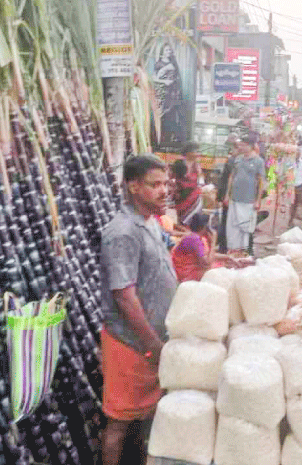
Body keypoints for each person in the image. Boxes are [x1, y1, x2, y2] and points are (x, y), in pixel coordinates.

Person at [99, 154, 178, 465]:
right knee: (118, 423)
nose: (163, 190)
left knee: (145, 418)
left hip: (152, 340)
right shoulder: (122, 232)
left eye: (165, 183)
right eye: (154, 184)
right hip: (130, 343)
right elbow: (124, 296)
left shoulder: (150, 222)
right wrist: (153, 346)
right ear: (132, 186)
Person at [224, 134, 265, 254]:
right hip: (235, 198)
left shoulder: (258, 161)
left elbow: (261, 181)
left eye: (243, 145)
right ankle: (233, 250)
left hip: (249, 200)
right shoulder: (238, 159)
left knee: (246, 227)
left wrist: (258, 200)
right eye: (240, 144)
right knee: (233, 226)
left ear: (251, 146)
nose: (240, 147)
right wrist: (227, 194)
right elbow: (232, 177)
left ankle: (244, 251)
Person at [171, 213, 238, 282]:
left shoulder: (197, 237)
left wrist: (228, 257)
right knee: (222, 271)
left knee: (225, 264)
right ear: (203, 227)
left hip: (192, 270)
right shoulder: (194, 239)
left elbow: (209, 255)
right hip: (186, 274)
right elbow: (206, 263)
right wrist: (213, 242)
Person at [153, 42, 183, 143]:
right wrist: (165, 82)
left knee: (173, 116)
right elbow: (154, 78)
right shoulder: (159, 63)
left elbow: (177, 76)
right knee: (163, 115)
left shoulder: (174, 63)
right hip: (163, 93)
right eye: (166, 50)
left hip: (173, 93)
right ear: (162, 51)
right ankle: (161, 138)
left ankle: (172, 138)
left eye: (170, 50)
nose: (168, 52)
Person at [216, 141, 243, 253]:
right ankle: (224, 246)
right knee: (227, 222)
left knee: (226, 221)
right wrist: (226, 196)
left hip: (229, 196)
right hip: (230, 197)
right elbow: (229, 181)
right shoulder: (233, 161)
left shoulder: (233, 160)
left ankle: (224, 246)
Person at [171, 142, 203, 226]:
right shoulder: (179, 163)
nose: (197, 153)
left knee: (194, 218)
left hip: (194, 197)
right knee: (182, 218)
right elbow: (172, 178)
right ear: (188, 152)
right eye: (195, 151)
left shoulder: (197, 165)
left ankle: (191, 234)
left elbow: (201, 181)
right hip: (181, 195)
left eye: (198, 151)